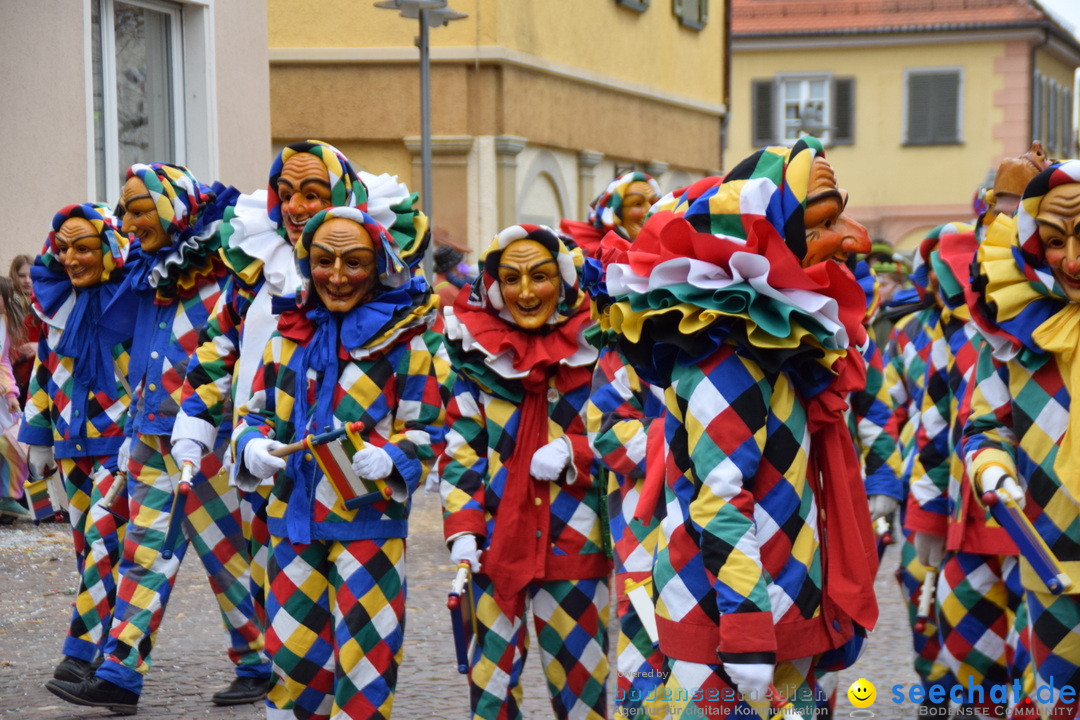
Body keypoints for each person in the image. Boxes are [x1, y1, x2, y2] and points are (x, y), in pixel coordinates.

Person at [603, 138, 877, 717]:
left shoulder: (769, 344)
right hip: (722, 626)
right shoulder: (725, 356)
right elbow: (719, 502)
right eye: (825, 222)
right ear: (766, 236)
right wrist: (748, 633)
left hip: (778, 610)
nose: (855, 239)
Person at [45, 163, 267, 714]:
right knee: (145, 552)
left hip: (205, 438)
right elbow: (142, 358)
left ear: (173, 206)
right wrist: (135, 422)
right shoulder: (147, 277)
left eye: (138, 209)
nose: (128, 220)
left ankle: (259, 661)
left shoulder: (222, 273)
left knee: (226, 556)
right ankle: (120, 673)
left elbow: (229, 356)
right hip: (148, 433)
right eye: (124, 210)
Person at [233, 206, 441, 719]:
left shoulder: (403, 345)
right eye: (324, 261)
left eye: (354, 262)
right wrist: (251, 447)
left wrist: (392, 458)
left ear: (378, 266)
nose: (338, 276)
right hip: (291, 525)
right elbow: (255, 415)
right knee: (293, 659)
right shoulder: (285, 339)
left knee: (366, 663)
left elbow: (429, 429)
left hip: (369, 527)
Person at [441, 224, 609, 720]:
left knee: (582, 693)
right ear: (494, 286)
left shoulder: (597, 352)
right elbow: (462, 453)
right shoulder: (476, 358)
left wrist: (575, 451)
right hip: (496, 546)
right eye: (511, 279)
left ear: (562, 281)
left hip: (574, 546)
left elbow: (630, 434)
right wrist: (463, 531)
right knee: (490, 691)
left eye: (540, 276)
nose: (526, 291)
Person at [962, 160, 1080, 719]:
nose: (1072, 261)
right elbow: (987, 424)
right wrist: (990, 467)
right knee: (1057, 702)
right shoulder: (1014, 337)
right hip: (1053, 561)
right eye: (1055, 242)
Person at [19, 203, 131, 681]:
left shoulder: (132, 301)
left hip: (120, 446)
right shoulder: (56, 309)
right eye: (62, 248)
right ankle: (108, 648)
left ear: (107, 248)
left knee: (105, 543)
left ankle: (79, 654)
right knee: (90, 551)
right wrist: (38, 437)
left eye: (83, 247)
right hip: (70, 445)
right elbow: (45, 374)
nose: (69, 258)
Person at [560, 171, 660, 255]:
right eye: (637, 204)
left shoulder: (665, 249)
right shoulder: (584, 251)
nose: (650, 210)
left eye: (653, 203)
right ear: (616, 213)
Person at [0, 277, 26, 521]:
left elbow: (3, 361)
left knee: (12, 446)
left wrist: (10, 393)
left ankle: (8, 497)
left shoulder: (4, 323)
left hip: (2, 398)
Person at [8, 254, 36, 404]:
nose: (27, 281)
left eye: (31, 276)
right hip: (14, 373)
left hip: (35, 372)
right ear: (14, 276)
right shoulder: (9, 303)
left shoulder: (41, 304)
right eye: (22, 276)